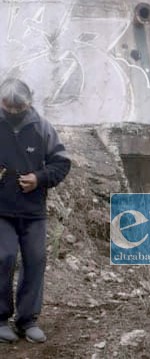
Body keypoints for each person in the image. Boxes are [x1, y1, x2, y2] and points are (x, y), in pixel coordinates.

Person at [0, 78, 71, 343]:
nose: (13, 112)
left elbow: (61, 163)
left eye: (18, 108)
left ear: (29, 102)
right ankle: (0, 318)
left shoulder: (42, 128)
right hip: (1, 209)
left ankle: (27, 320)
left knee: (36, 260)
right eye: (8, 107)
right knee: (4, 257)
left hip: (33, 211)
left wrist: (39, 179)